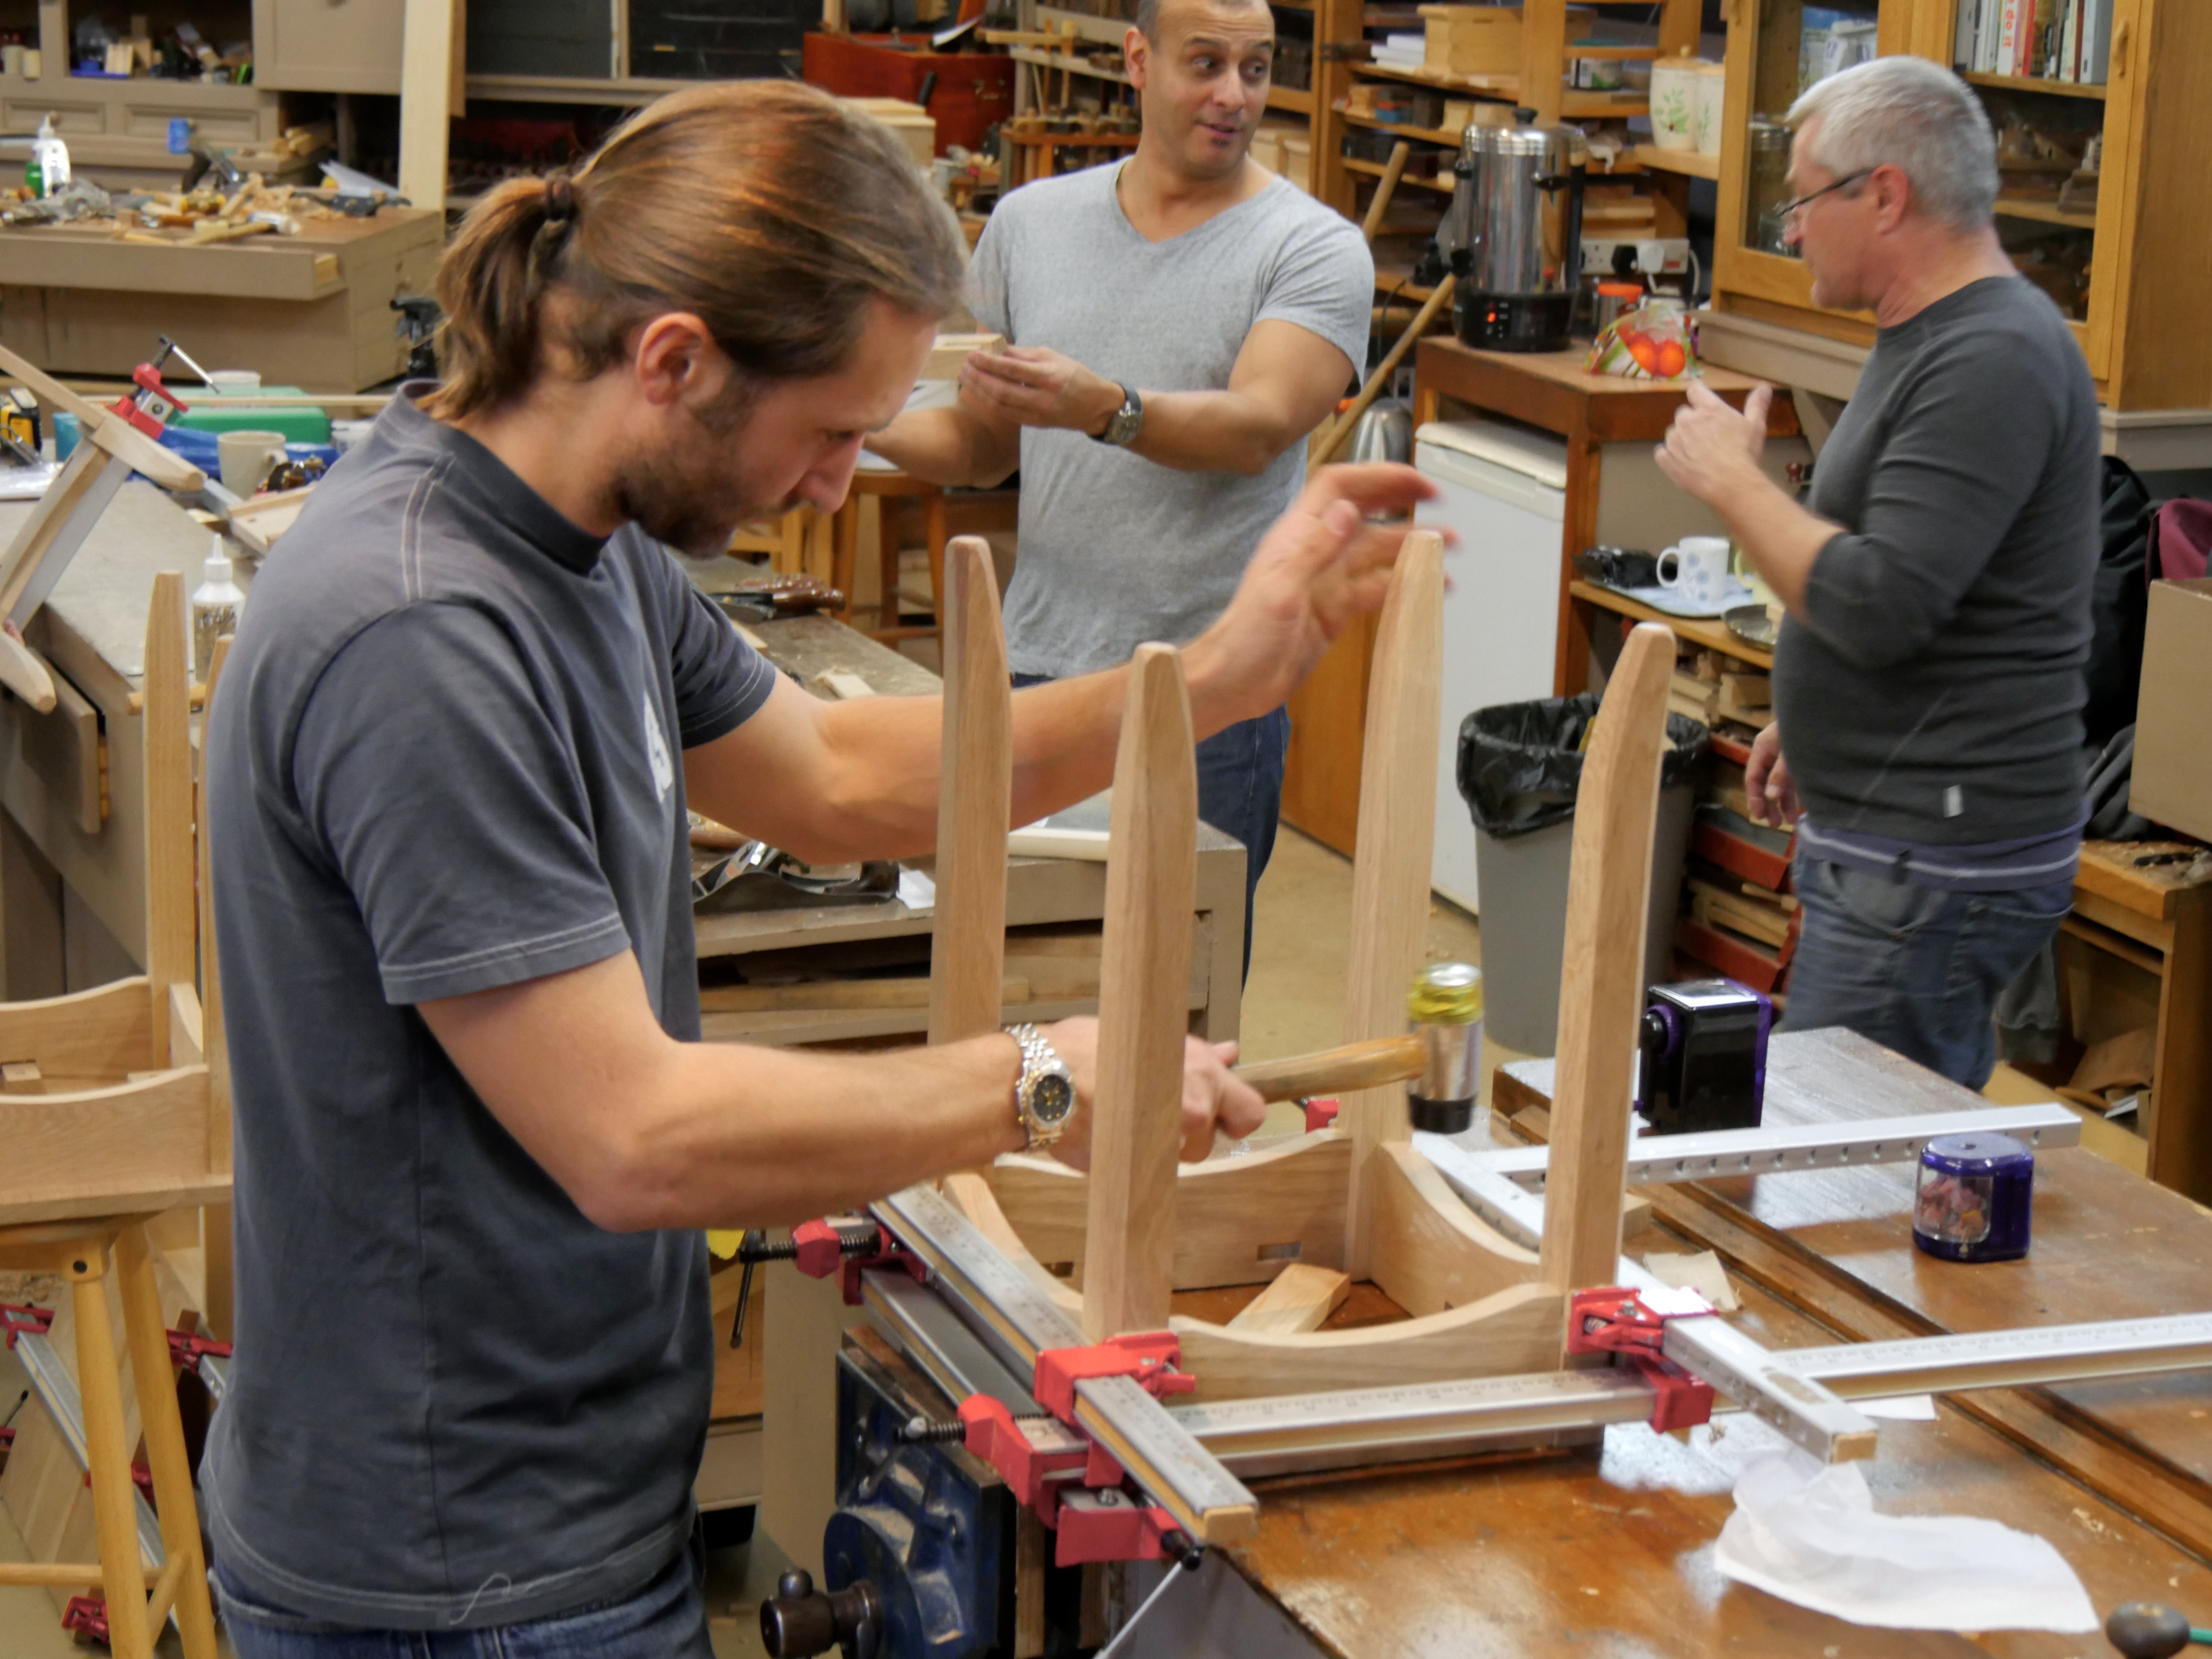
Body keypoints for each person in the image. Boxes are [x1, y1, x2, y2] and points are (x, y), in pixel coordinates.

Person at [198, 81, 1433, 1657]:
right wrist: (1042, 1080)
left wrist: (1203, 684)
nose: (846, 482)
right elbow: (634, 1136)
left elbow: (835, 777)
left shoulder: (580, 542)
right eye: (834, 430)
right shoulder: (425, 631)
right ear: (674, 361)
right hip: (456, 1568)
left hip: (550, 1501)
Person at [866, 0, 1373, 961]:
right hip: (1035, 673)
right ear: (1138, 60)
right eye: (1206, 64)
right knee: (1012, 976)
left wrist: (1105, 408)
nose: (1234, 96)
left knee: (1174, 995)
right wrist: (853, 419)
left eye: (1256, 68)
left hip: (1208, 696)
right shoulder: (1032, 223)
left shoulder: (1311, 247)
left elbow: (1258, 427)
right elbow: (984, 445)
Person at [1654, 54, 2097, 1090]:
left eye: (1804, 200)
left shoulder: (1991, 357)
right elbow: (1926, 583)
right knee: (1862, 1147)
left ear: (1886, 195)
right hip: (1903, 847)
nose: (1792, 231)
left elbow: (1882, 603)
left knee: (1844, 1161)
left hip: (1932, 866)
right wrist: (1821, 723)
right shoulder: (1936, 336)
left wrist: (1734, 485)